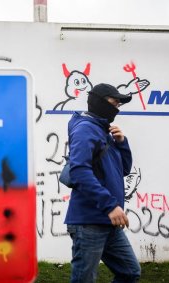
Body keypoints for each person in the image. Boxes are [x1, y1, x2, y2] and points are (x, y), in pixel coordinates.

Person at [64, 83, 141, 283]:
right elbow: (79, 171)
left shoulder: (103, 130)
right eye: (113, 101)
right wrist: (110, 206)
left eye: (119, 103)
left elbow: (122, 169)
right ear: (98, 101)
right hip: (90, 221)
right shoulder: (85, 129)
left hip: (109, 222)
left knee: (130, 272)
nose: (117, 106)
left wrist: (122, 143)